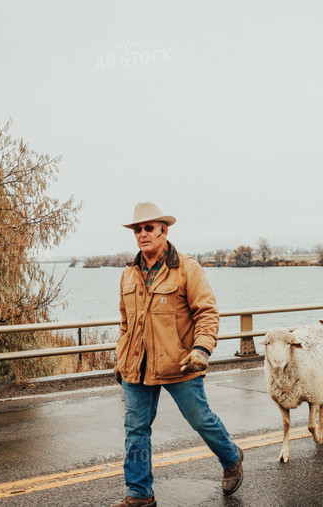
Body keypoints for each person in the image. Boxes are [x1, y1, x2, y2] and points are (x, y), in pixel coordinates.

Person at [111, 202, 243, 507]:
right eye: (137, 229)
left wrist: (202, 349)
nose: (142, 234)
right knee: (135, 429)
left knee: (201, 420)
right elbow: (125, 323)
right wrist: (121, 358)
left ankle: (232, 457)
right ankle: (139, 493)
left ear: (163, 231)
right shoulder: (129, 274)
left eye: (148, 228)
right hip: (137, 368)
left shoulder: (187, 268)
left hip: (180, 364)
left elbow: (207, 313)